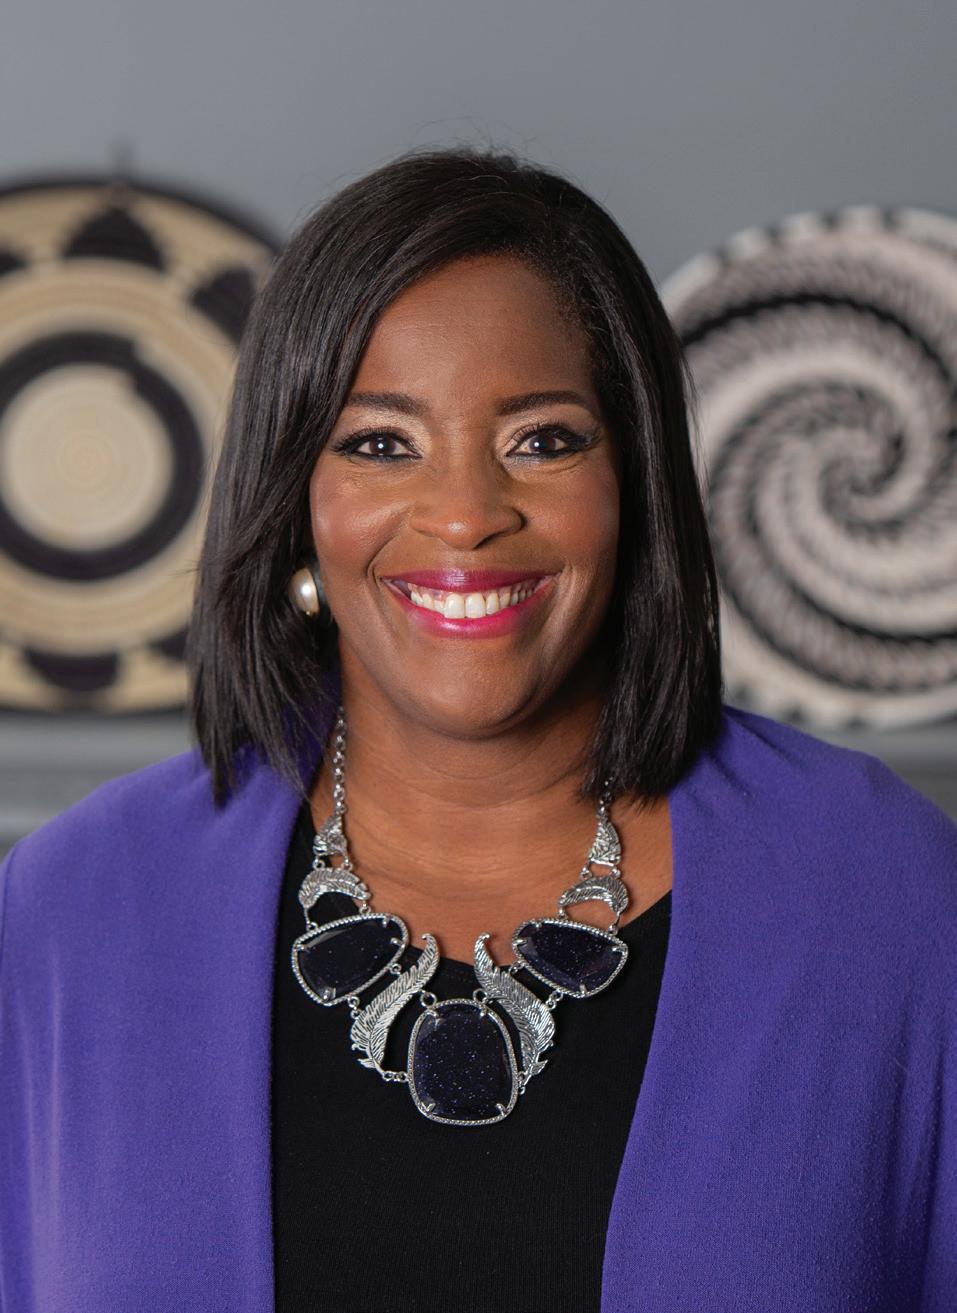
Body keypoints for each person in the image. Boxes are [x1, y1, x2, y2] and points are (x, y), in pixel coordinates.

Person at [1, 147, 955, 1313]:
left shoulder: (886, 894)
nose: (463, 515)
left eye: (542, 439)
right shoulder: (70, 911)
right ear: (296, 497)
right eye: (380, 442)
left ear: (635, 478)